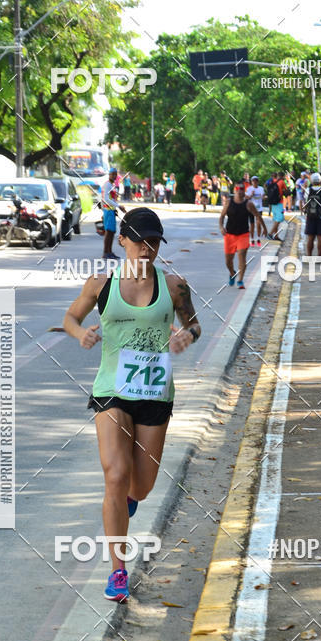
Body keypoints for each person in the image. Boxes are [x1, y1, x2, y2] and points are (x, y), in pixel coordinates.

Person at [63, 208, 201, 602]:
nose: (146, 248)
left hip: (155, 394)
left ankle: (128, 501)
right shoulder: (101, 282)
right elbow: (71, 317)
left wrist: (185, 337)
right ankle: (118, 571)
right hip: (112, 390)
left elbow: (194, 323)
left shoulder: (174, 285)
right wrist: (80, 334)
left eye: (154, 241)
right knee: (115, 474)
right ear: (121, 239)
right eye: (139, 239)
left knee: (140, 486)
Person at [219, 179, 261, 288]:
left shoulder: (248, 204)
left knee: (241, 255)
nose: (239, 191)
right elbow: (222, 216)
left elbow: (257, 215)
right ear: (234, 190)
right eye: (237, 188)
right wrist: (221, 227)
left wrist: (263, 228)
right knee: (228, 261)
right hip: (230, 235)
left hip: (243, 234)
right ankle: (232, 273)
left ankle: (240, 280)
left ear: (244, 190)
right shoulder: (229, 202)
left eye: (241, 189)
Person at [101, 168, 126, 260]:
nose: (114, 176)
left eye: (116, 174)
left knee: (112, 232)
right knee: (109, 232)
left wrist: (115, 208)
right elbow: (106, 199)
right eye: (112, 174)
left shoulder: (112, 185)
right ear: (109, 174)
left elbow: (112, 199)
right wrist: (118, 206)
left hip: (111, 210)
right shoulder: (107, 185)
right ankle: (106, 252)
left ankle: (109, 252)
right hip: (108, 211)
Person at [245, 175, 267, 245]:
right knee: (252, 225)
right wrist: (251, 195)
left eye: (256, 180)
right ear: (251, 182)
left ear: (258, 182)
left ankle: (258, 238)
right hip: (251, 209)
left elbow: (263, 196)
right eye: (253, 181)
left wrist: (264, 197)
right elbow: (247, 198)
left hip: (259, 208)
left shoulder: (261, 188)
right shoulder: (249, 189)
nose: (255, 182)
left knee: (258, 223)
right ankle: (252, 239)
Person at [267, 172, 286, 240]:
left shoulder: (273, 181)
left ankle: (276, 236)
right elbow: (285, 191)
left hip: (272, 203)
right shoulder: (282, 182)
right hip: (279, 202)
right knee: (280, 218)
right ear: (282, 176)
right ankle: (270, 233)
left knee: (276, 219)